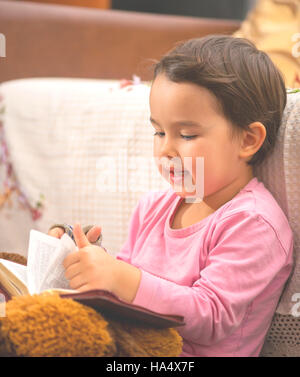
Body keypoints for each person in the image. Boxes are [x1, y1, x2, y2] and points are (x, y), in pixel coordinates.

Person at [48, 35, 293, 357]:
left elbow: (212, 317)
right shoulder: (154, 207)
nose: (165, 149)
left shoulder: (253, 223)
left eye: (187, 134)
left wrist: (122, 278)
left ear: (248, 140)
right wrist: (92, 261)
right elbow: (127, 289)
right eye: (159, 132)